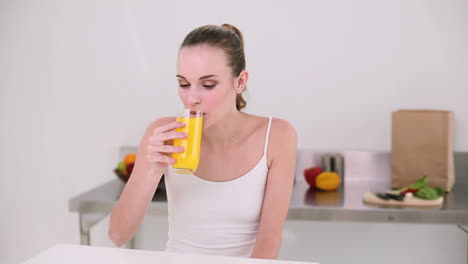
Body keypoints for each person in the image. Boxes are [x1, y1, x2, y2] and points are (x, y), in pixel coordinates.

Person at [108, 24, 297, 259]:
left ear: (239, 82)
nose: (192, 98)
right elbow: (118, 234)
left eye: (208, 85)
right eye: (184, 84)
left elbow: (270, 239)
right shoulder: (163, 134)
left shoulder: (278, 136)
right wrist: (153, 171)